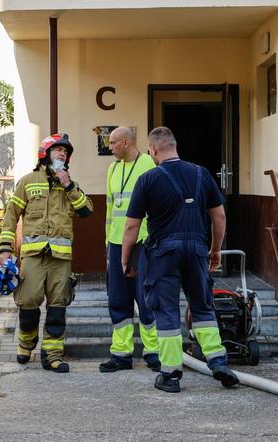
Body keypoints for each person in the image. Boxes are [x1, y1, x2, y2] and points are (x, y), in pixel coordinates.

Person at [122, 127, 239, 393]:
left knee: (166, 311)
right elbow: (219, 216)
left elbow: (131, 227)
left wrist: (126, 259)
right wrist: (215, 250)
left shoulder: (147, 179)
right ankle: (218, 361)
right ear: (175, 146)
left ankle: (171, 373)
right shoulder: (201, 173)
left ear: (152, 150)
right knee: (203, 307)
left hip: (163, 254)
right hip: (197, 250)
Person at [0, 134, 92, 373]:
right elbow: (10, 216)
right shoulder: (28, 181)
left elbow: (86, 210)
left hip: (60, 260)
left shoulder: (69, 184)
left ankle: (52, 355)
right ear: (45, 153)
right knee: (28, 303)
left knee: (58, 307)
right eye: (58, 150)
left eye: (65, 152)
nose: (62, 154)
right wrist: (5, 248)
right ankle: (26, 343)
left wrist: (68, 185)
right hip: (33, 256)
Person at [99, 127, 159, 373]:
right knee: (118, 300)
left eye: (113, 143)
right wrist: (107, 244)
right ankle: (121, 354)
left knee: (146, 300)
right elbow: (110, 210)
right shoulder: (112, 169)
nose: (109, 147)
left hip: (143, 243)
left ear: (126, 142)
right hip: (115, 243)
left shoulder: (150, 165)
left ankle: (153, 352)